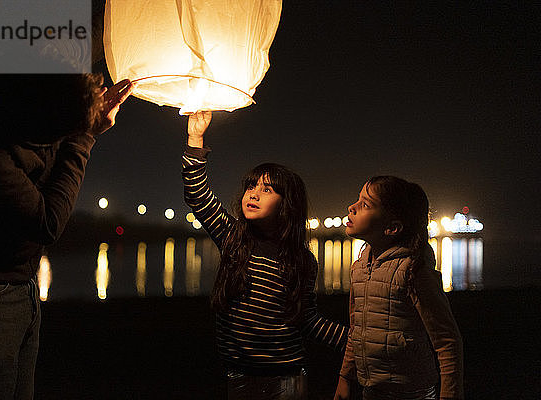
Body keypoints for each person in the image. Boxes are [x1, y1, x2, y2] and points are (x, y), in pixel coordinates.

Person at [0, 73, 132, 399]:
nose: (65, 135)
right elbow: (48, 222)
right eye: (66, 125)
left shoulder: (40, 119)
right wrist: (84, 136)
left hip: (22, 288)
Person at [182, 111, 348, 399]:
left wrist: (354, 340)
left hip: (287, 378)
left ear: (288, 205)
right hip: (238, 374)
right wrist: (195, 138)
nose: (253, 194)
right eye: (251, 186)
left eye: (266, 189)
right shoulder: (233, 237)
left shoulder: (302, 261)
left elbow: (306, 318)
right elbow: (197, 194)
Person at [334, 176, 464, 400]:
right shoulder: (359, 268)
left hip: (413, 393)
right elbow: (356, 330)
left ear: (392, 228)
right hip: (371, 390)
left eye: (365, 204)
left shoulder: (414, 271)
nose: (352, 208)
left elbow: (447, 341)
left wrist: (450, 395)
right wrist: (345, 378)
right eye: (358, 200)